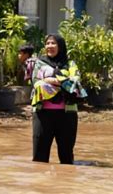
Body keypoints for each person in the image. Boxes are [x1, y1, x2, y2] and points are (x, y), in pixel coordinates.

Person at [31, 34, 87, 164]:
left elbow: (75, 83)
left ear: (60, 46)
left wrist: (51, 80)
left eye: (53, 43)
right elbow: (36, 83)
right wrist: (62, 83)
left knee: (66, 156)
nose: (50, 46)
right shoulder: (39, 63)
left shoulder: (70, 64)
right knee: (39, 156)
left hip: (67, 114)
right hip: (42, 113)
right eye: (48, 43)